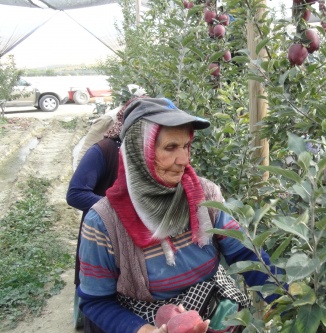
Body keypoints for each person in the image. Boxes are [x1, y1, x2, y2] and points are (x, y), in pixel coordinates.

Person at [77, 98, 284, 333]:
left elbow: (248, 255)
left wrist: (291, 305)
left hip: (216, 316)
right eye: (170, 148)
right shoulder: (104, 223)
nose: (184, 160)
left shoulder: (204, 195)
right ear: (138, 151)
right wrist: (144, 330)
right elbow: (96, 301)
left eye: (186, 146)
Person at [67, 94, 151, 329]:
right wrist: (118, 211)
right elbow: (75, 193)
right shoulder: (104, 150)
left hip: (130, 239)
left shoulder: (146, 155)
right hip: (103, 235)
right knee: (98, 293)